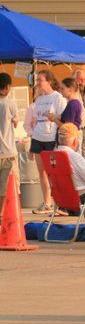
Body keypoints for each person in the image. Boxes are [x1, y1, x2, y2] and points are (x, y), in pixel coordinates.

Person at [30, 70, 67, 215]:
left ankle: (60, 203)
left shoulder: (58, 98)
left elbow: (62, 120)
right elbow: (35, 122)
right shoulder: (39, 100)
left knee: (54, 173)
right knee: (42, 172)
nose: (38, 83)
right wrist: (32, 143)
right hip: (38, 137)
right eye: (37, 80)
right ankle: (47, 203)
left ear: (49, 82)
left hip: (51, 138)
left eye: (40, 80)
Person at [0, 73, 19, 220]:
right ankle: (2, 214)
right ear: (7, 87)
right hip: (8, 152)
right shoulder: (10, 103)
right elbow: (16, 123)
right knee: (6, 186)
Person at [50, 78, 85, 151]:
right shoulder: (73, 103)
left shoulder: (72, 104)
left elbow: (67, 127)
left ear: (70, 89)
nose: (60, 91)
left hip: (70, 141)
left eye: (62, 88)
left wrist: (54, 119)